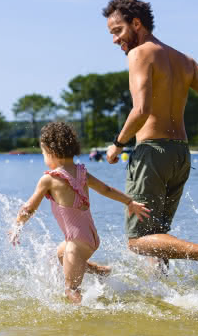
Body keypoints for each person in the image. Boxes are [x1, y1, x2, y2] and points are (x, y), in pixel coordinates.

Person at [102, 0, 198, 281]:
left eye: (117, 31)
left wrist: (117, 145)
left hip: (152, 154)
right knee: (156, 236)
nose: (115, 40)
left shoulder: (139, 54)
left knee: (137, 241)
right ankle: (162, 295)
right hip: (180, 155)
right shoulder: (185, 60)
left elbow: (141, 110)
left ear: (136, 23)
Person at [10, 121, 151, 304]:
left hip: (76, 244)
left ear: (51, 152)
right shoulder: (82, 172)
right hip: (91, 238)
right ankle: (100, 271)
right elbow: (106, 189)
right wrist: (129, 202)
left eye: (43, 153)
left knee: (71, 290)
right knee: (57, 254)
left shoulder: (49, 179)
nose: (44, 157)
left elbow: (29, 208)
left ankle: (88, 319)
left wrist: (17, 225)